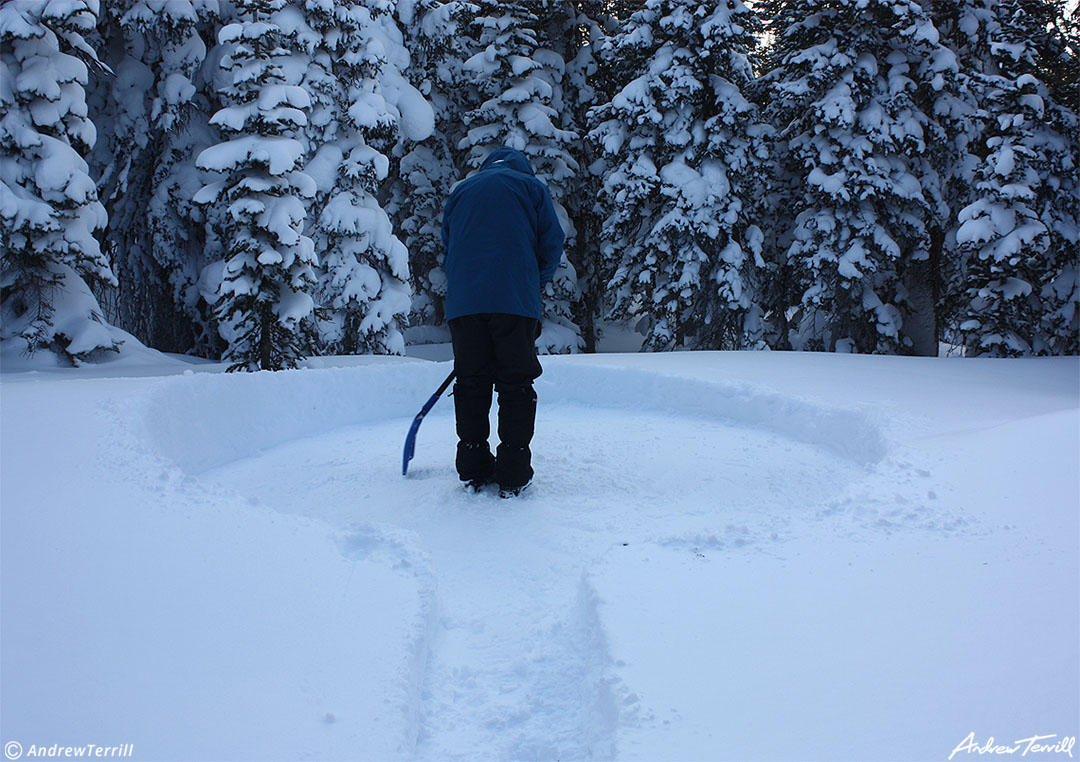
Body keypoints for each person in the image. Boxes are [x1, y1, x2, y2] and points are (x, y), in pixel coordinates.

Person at [441, 146, 565, 497]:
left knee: (471, 382)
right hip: (513, 301)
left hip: (465, 305)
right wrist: (533, 284)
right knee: (515, 384)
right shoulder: (531, 188)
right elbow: (552, 242)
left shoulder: (461, 191)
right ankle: (512, 471)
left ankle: (472, 466)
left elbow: (448, 246)